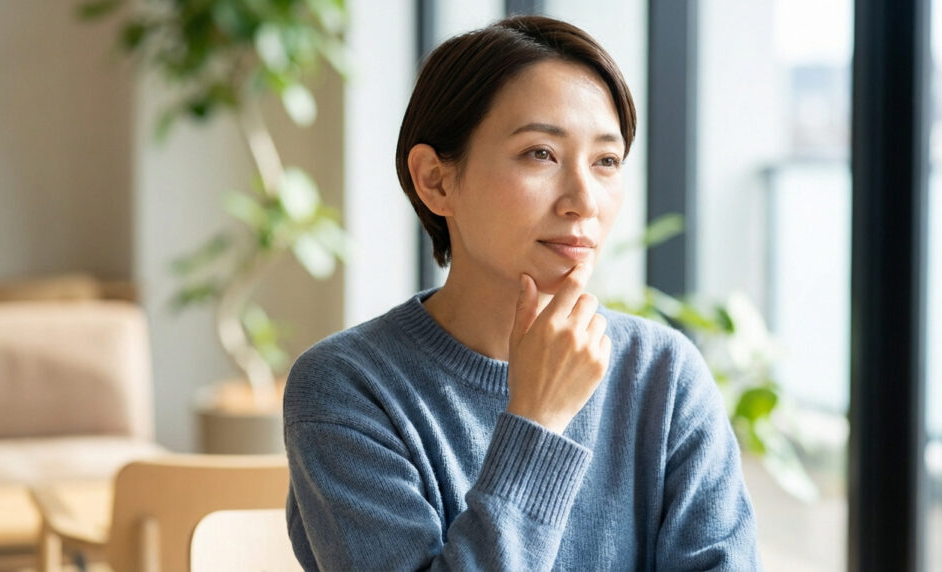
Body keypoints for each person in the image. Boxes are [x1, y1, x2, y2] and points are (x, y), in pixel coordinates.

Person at [283, 15, 760, 570]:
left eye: (606, 161)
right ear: (435, 180)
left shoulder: (664, 375)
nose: (583, 199)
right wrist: (537, 420)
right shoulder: (349, 388)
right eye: (541, 154)